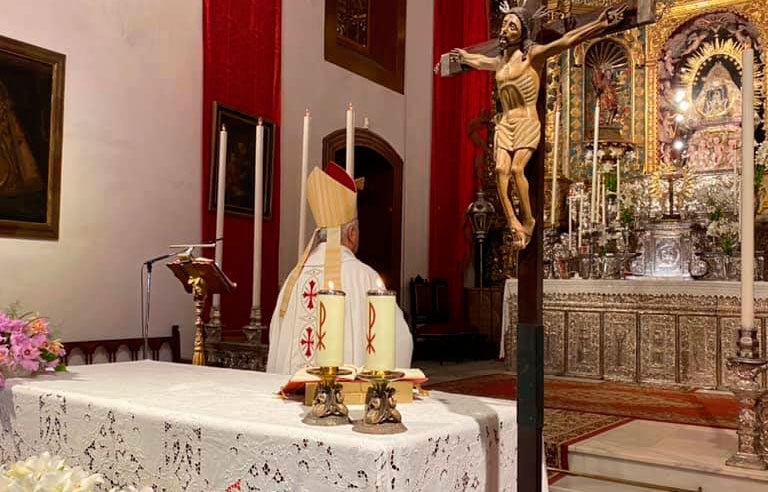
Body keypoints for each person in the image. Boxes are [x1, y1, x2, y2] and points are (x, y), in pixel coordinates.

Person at [451, 3, 625, 249]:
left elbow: (565, 41)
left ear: (523, 32)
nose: (506, 29)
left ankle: (529, 220)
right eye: (505, 24)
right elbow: (478, 60)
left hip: (526, 121)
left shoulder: (532, 56)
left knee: (516, 170)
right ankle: (513, 220)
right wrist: (461, 56)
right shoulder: (500, 62)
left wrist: (599, 24)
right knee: (501, 170)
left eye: (512, 26)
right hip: (505, 122)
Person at [267, 162, 413, 375]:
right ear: (352, 233)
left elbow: (275, 340)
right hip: (347, 404)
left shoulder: (293, 278)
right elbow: (399, 341)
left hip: (289, 400)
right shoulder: (365, 278)